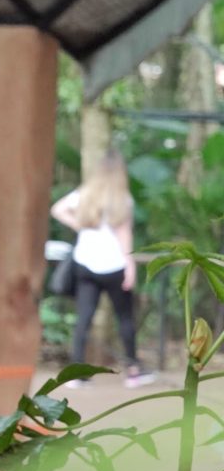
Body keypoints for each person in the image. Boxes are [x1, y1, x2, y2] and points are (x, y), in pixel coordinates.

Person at [50, 149, 155, 388]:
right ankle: (133, 371)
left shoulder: (85, 194)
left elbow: (57, 209)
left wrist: (79, 225)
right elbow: (124, 235)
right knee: (125, 318)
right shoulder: (122, 199)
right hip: (114, 266)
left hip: (85, 264)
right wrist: (130, 267)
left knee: (83, 319)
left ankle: (76, 374)